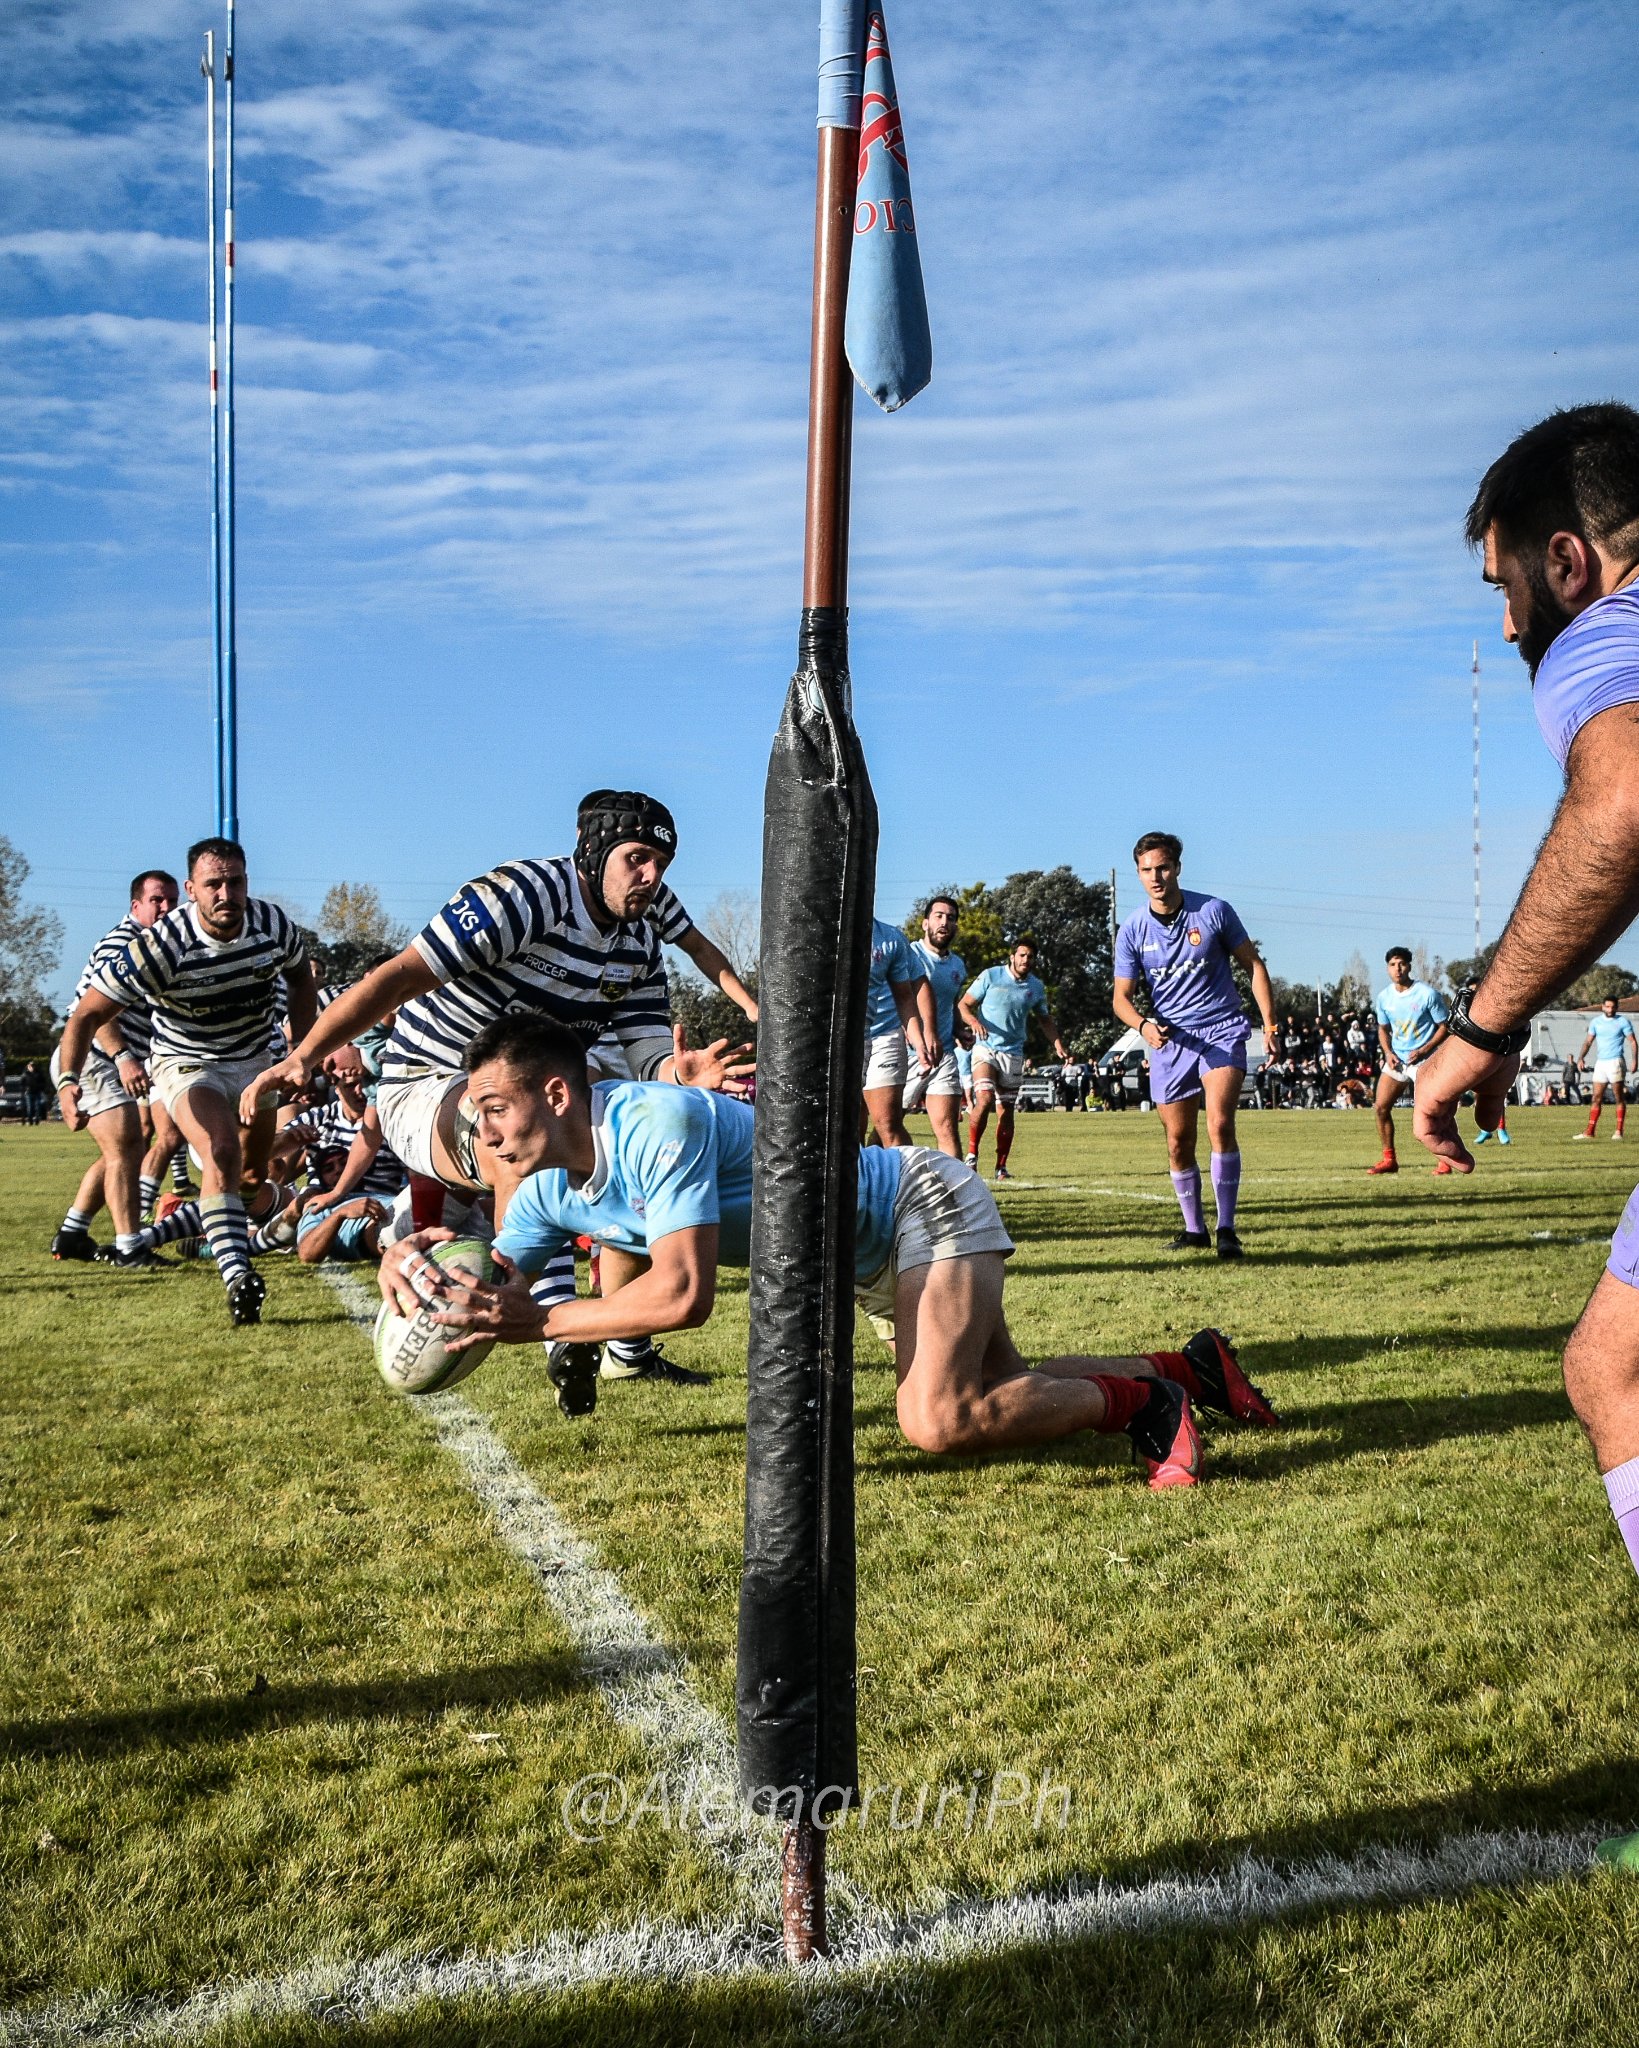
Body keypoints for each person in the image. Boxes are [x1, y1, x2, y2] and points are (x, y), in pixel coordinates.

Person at [382, 1015, 1283, 1487]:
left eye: (493, 1108)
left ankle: (1148, 1404)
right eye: (473, 1114)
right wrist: (416, 1266)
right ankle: (1190, 1369)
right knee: (1002, 1389)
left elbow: (682, 1297)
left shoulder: (651, 1123)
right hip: (867, 1257)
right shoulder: (542, 1188)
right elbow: (485, 1278)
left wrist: (537, 1320)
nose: (480, 1129)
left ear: (556, 1093)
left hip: (914, 1203)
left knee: (938, 1421)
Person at [1410, 404, 1639, 1870]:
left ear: (1563, 559)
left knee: (1613, 1366)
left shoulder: (1601, 635)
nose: (1509, 635)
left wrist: (1482, 1028)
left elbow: (1617, 806)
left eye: (1503, 593)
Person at [241, 790, 745, 1389]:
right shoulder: (521, 896)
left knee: (621, 1153)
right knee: (506, 1130)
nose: (652, 876)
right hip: (424, 1081)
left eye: (662, 864)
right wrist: (304, 1056)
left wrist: (675, 1074)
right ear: (595, 850)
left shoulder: (637, 944)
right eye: (637, 858)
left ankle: (625, 1352)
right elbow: (400, 974)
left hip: (534, 1093)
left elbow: (650, 1057)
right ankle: (561, 1332)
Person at [58, 839, 313, 1323]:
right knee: (220, 1150)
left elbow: (302, 981)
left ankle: (152, 1237)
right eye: (213, 884)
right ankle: (240, 1277)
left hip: (256, 1059)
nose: (225, 893)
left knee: (250, 1181)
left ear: (246, 883)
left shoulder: (273, 925)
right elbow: (87, 1013)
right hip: (187, 1061)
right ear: (192, 890)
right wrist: (69, 1079)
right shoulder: (160, 947)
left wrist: (301, 1053)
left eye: (234, 881)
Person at [1112, 832, 1276, 1259]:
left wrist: (1270, 1024)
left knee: (1219, 1124)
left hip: (1221, 1029)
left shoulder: (1214, 911)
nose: (1156, 877)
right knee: (1177, 1141)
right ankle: (1194, 1230)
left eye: (1163, 867)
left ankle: (1226, 1230)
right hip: (1169, 1041)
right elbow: (1120, 1000)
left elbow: (1254, 967)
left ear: (1178, 867)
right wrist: (1144, 1025)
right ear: (1138, 873)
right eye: (1147, 870)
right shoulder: (1132, 929)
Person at [47, 868, 186, 1269]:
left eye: (172, 901)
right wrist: (124, 1056)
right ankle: (129, 1247)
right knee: (127, 1146)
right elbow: (94, 1010)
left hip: (113, 1059)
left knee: (124, 1148)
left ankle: (73, 1233)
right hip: (94, 1056)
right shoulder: (124, 942)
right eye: (157, 900)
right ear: (135, 905)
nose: (166, 908)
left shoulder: (159, 945)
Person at [959, 939, 1068, 1180]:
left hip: (1013, 1052)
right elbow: (964, 1005)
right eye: (1021, 955)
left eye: (1030, 956)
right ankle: (971, 1156)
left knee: (1006, 1110)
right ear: (1012, 956)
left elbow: (1044, 1019)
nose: (1025, 960)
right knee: (984, 1098)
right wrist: (974, 1022)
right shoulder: (991, 976)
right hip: (985, 1048)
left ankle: (1001, 1167)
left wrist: (1058, 1044)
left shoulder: (1036, 987)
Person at [1365, 948, 1452, 1176]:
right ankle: (1389, 1160)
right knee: (1381, 1107)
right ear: (1387, 968)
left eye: (1402, 963)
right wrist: (1387, 1052)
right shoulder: (1384, 997)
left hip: (1424, 1061)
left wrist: (1424, 1050)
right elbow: (1383, 1029)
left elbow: (1445, 1026)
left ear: (1410, 966)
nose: (1398, 968)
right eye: (1393, 964)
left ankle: (1444, 1160)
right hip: (1397, 1061)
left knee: (1432, 1112)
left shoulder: (1427, 994)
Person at [901, 895, 966, 1157]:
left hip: (943, 1054)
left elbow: (950, 1004)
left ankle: (957, 1196)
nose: (945, 922)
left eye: (951, 918)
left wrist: (959, 1029)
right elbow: (900, 1000)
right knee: (889, 1126)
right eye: (939, 916)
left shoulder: (957, 965)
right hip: (906, 1054)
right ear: (925, 923)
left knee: (948, 1128)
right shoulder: (909, 954)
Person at [862, 915, 934, 1149]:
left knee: (887, 1122)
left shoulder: (891, 939)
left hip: (885, 1036)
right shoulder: (824, 933)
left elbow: (909, 993)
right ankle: (856, 1184)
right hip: (845, 1041)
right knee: (851, 1125)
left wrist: (920, 1040)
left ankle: (909, 1183)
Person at [1573, 997, 1637, 1141]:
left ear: (1616, 1007)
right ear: (1603, 1007)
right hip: (1601, 1063)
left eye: (1613, 1007)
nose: (1610, 1010)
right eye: (1607, 1007)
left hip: (1616, 1061)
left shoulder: (1622, 1022)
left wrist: (1635, 1061)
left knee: (1618, 1097)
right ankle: (1590, 1131)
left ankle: (1619, 1131)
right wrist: (1581, 1057)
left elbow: (1632, 1041)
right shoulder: (1596, 1022)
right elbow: (1588, 1041)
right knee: (1596, 1097)